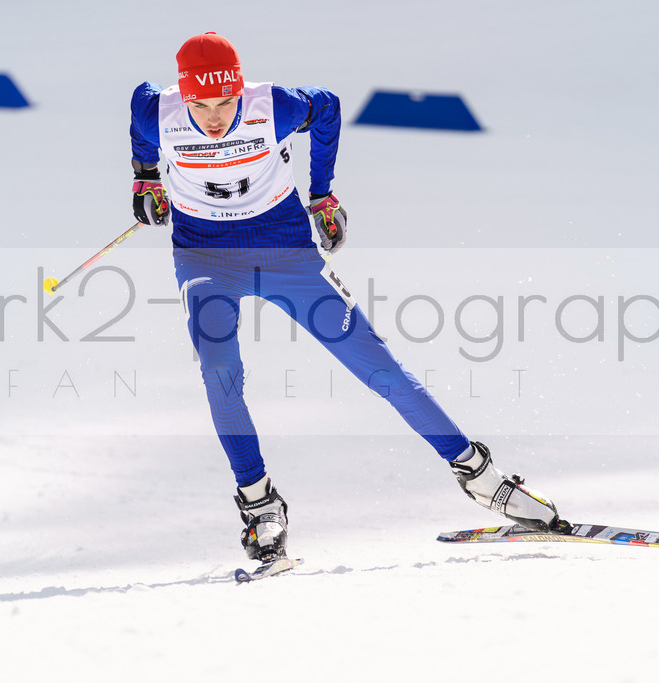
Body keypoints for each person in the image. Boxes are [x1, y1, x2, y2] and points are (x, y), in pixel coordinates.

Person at [129, 32, 563, 565]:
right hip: (205, 260)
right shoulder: (158, 114)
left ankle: (479, 475)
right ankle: (260, 505)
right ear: (184, 95)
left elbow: (328, 106)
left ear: (241, 89)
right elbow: (140, 111)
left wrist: (322, 193)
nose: (215, 117)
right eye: (201, 103)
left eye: (226, 102)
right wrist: (145, 177)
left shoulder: (274, 106)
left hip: (285, 251)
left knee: (378, 368)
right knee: (220, 373)